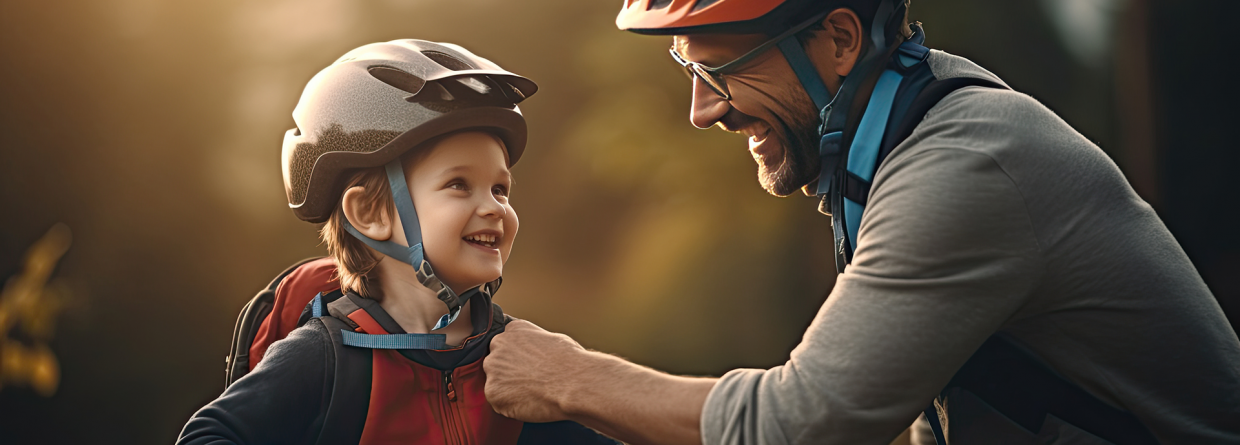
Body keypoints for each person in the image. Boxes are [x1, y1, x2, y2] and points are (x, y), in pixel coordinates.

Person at [482, 1, 1240, 444]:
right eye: (690, 70)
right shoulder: (898, 144)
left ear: (840, 40)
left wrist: (570, 378)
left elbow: (800, 425)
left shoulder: (965, 165)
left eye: (721, 70)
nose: (702, 109)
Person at [178, 39, 616, 444]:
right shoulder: (325, 358)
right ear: (371, 214)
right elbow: (206, 435)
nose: (494, 207)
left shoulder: (516, 356)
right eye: (459, 184)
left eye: (500, 189)